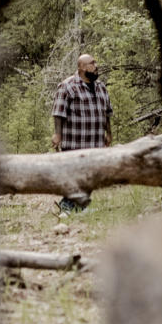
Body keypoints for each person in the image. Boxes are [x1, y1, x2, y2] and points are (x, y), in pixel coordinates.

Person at [51, 53, 112, 211]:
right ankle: (68, 206)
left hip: (95, 141)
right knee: (76, 176)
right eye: (92, 63)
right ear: (82, 67)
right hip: (75, 141)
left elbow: (107, 112)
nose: (96, 66)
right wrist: (58, 134)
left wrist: (108, 133)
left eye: (95, 63)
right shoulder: (67, 86)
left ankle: (75, 206)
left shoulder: (101, 87)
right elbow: (58, 113)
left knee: (91, 176)